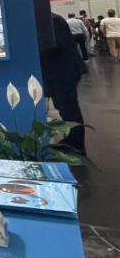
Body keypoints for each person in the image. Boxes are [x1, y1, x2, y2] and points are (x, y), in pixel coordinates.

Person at [40, 13, 87, 154]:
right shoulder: (50, 19)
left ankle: (77, 146)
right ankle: (70, 140)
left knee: (69, 109)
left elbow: (56, 45)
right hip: (61, 70)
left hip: (64, 71)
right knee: (63, 108)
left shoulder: (51, 20)